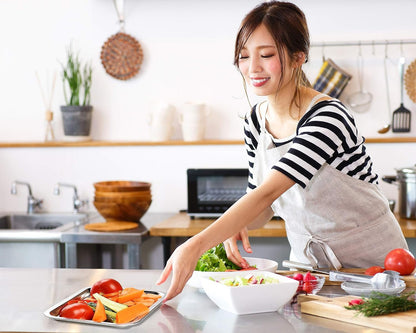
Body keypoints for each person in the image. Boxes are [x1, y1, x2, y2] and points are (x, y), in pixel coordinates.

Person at [157, 1, 408, 301]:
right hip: (309, 275)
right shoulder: (254, 121)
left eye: (266, 55)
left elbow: (269, 191)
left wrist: (194, 245)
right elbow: (262, 206)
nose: (253, 68)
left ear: (299, 56)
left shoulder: (328, 117)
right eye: (244, 56)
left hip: (375, 272)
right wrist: (238, 225)